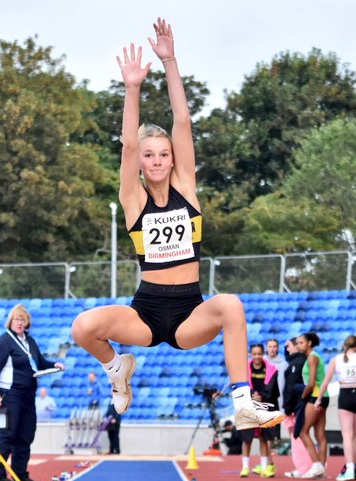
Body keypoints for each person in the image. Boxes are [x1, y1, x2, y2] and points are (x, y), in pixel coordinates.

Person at [69, 18, 282, 434]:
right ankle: (117, 369)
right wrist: (132, 88)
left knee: (232, 305)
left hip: (189, 312)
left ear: (172, 158)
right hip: (146, 311)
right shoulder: (133, 200)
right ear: (142, 163)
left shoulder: (187, 187)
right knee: (82, 327)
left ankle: (243, 404)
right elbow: (128, 144)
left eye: (163, 154)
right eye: (149, 156)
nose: (156, 160)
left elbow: (182, 122)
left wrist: (169, 60)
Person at [0, 304, 65, 481]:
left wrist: (54, 365)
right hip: (10, 393)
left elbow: (39, 362)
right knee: (8, 434)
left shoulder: (29, 341)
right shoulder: (4, 340)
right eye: (17, 319)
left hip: (28, 394)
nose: (20, 323)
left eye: (23, 319)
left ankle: (19, 474)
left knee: (25, 435)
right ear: (11, 321)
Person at [315, 335, 356, 481]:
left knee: (347, 434)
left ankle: (350, 468)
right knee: (355, 436)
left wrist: (319, 399)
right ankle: (353, 466)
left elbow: (325, 382)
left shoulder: (336, 360)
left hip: (345, 395)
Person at [240, 343, 280, 478]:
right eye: (254, 354)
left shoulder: (271, 369)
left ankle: (264, 467)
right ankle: (245, 467)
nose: (257, 357)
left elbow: (273, 389)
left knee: (264, 437)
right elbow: (240, 385)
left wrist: (261, 396)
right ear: (251, 354)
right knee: (247, 439)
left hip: (265, 406)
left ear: (263, 354)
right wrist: (251, 396)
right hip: (248, 406)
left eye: (259, 354)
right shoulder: (244, 369)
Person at [294, 332, 330, 479]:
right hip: (323, 396)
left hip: (315, 396)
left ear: (309, 343)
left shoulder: (312, 357)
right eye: (297, 343)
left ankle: (316, 465)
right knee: (319, 434)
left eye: (301, 343)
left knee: (303, 431)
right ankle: (321, 469)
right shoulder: (314, 357)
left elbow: (311, 383)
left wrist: (303, 396)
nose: (298, 345)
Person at [280, 337, 313, 478]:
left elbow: (291, 387)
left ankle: (304, 467)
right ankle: (309, 466)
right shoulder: (295, 362)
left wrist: (288, 407)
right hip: (298, 405)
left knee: (297, 437)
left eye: (288, 346)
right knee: (300, 436)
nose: (286, 349)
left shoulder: (296, 363)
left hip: (295, 406)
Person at [265, 338, 288, 410]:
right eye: (270, 346)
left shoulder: (283, 364)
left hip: (278, 396)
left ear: (278, 348)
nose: (272, 349)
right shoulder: (261, 362)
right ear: (266, 348)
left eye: (274, 346)